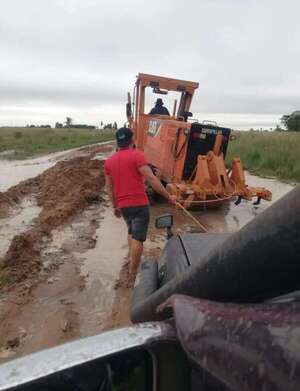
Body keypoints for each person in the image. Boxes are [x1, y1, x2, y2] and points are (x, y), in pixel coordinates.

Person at [104, 127, 176, 276]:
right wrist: (168, 197)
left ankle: (131, 260)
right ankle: (132, 273)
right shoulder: (137, 156)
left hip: (123, 206)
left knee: (131, 231)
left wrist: (115, 206)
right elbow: (151, 178)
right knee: (138, 237)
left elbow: (109, 189)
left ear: (118, 142)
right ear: (132, 140)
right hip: (138, 204)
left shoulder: (109, 162)